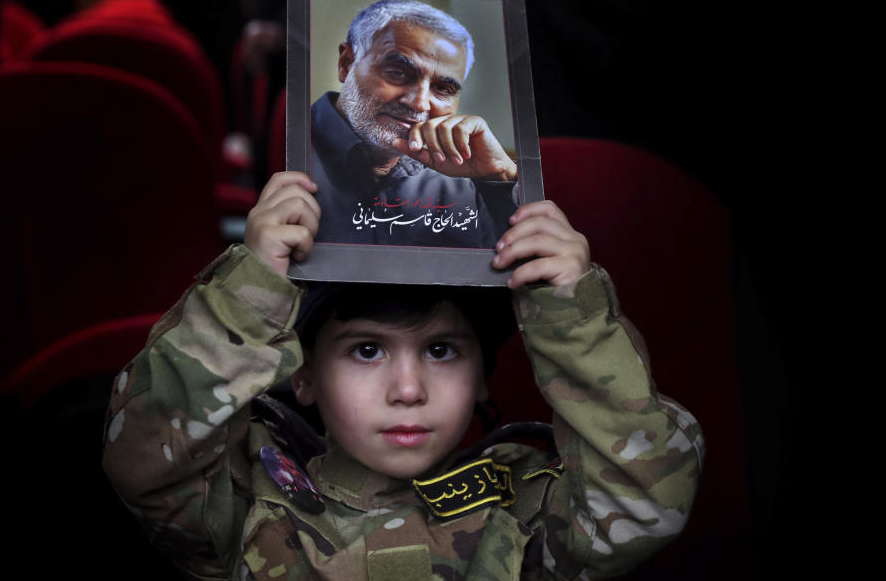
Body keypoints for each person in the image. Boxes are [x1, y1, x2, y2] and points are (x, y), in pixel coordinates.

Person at [103, 170, 704, 579]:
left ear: (483, 378)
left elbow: (651, 496)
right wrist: (251, 288)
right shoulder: (247, 503)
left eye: (442, 351)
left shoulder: (524, 506)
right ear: (303, 375)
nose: (409, 390)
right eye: (367, 351)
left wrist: (572, 315)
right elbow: (147, 459)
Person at [310, 0, 520, 248]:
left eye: (442, 88)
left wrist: (500, 183)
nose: (420, 104)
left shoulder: (466, 178)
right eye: (397, 73)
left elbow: (509, 272)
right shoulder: (285, 147)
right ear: (346, 64)